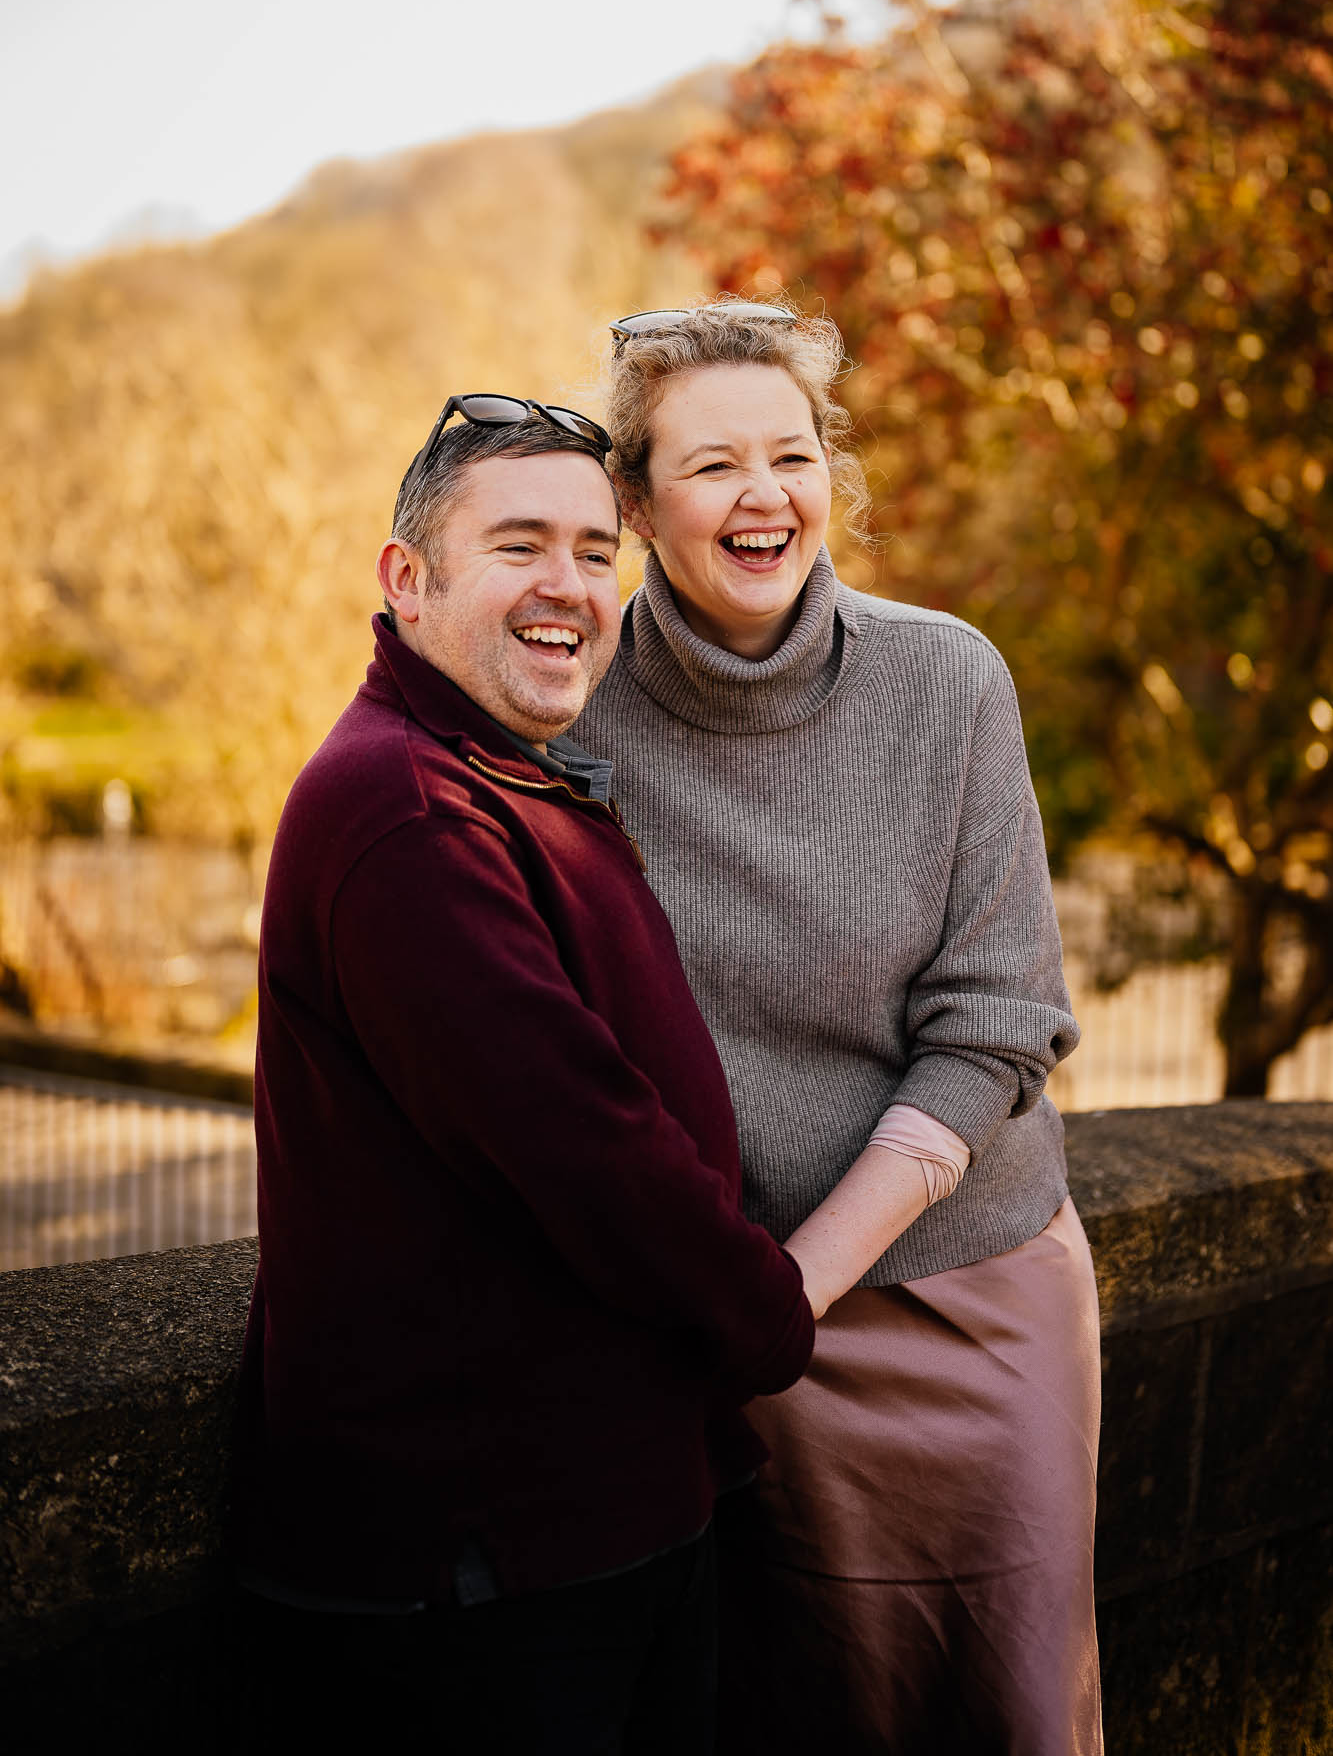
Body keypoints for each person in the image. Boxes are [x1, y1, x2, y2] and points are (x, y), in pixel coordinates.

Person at [230, 393, 815, 1755]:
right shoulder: (409, 810)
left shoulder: (499, 774)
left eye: (594, 550)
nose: (570, 586)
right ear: (407, 580)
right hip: (482, 1569)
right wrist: (766, 1316)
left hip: (592, 1520)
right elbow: (585, 1145)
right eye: (519, 547)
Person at [574, 305, 1104, 1756]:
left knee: (1006, 1708)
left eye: (791, 456)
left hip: (966, 1294)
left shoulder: (946, 679)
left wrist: (793, 1288)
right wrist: (740, 1308)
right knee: (801, 1703)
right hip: (732, 1332)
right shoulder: (569, 718)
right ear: (632, 500)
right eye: (714, 464)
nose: (765, 496)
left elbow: (997, 1023)